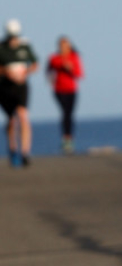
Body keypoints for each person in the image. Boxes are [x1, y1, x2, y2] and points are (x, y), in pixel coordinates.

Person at [0, 19, 39, 167]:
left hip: (21, 86)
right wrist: (7, 72)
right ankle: (13, 148)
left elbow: (35, 64)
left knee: (23, 116)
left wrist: (25, 72)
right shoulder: (1, 48)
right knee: (12, 120)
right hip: (5, 87)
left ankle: (25, 152)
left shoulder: (25, 46)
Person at [46, 36, 84, 154]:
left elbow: (80, 74)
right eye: (61, 45)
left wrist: (70, 69)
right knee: (65, 113)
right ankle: (66, 138)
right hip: (59, 90)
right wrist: (51, 80)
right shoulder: (54, 58)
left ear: (69, 46)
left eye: (65, 45)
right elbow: (49, 71)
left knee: (69, 114)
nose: (63, 48)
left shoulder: (74, 57)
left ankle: (69, 138)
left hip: (72, 90)